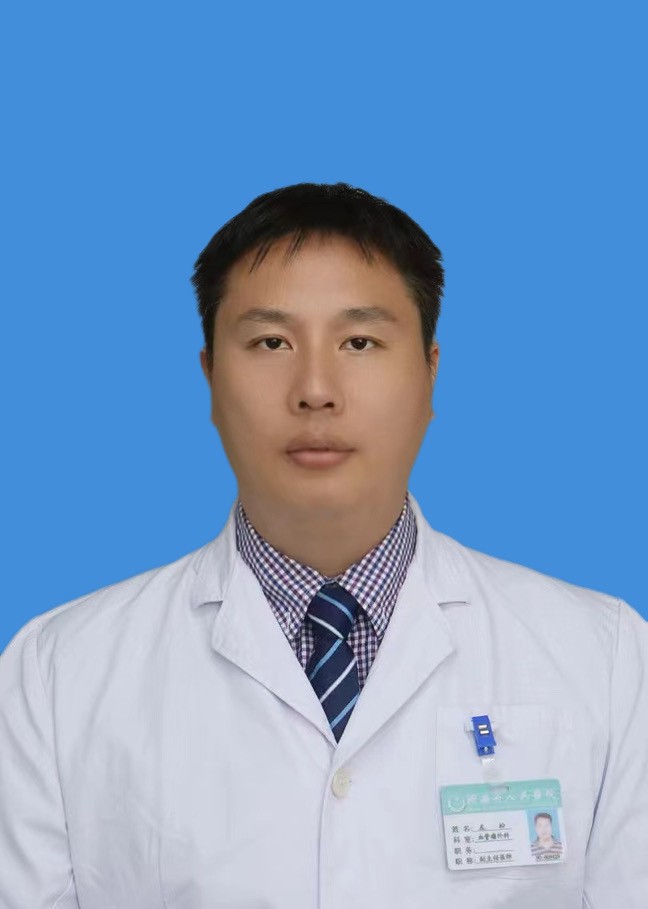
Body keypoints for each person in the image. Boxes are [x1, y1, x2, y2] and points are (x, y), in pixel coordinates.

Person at [0, 182, 646, 908]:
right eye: (271, 342)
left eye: (359, 342)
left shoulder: (606, 659)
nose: (315, 389)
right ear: (209, 375)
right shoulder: (56, 674)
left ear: (430, 371)